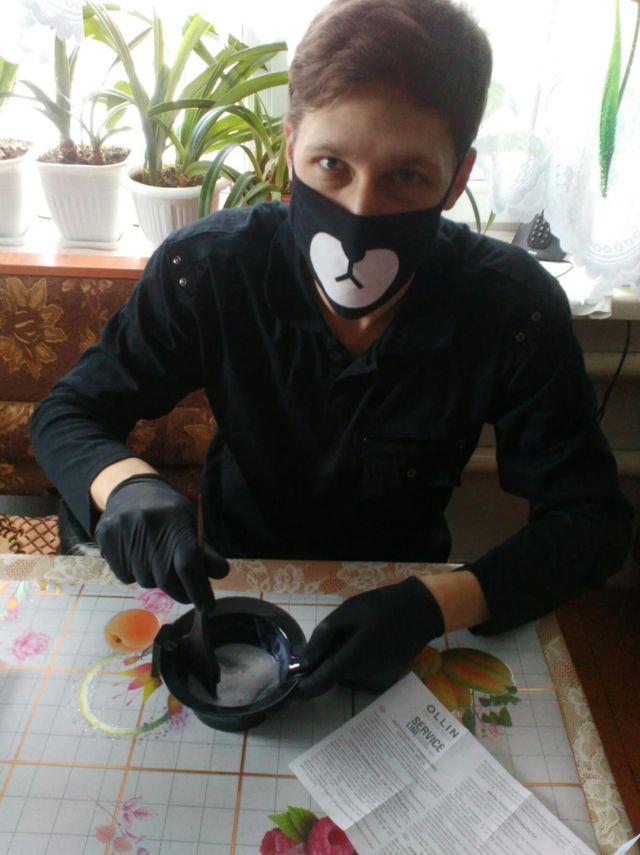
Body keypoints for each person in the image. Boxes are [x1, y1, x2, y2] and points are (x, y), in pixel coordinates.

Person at [30, 0, 634, 699]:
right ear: (290, 147)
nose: (360, 210)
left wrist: (435, 604)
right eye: (331, 164)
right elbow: (67, 413)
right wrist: (125, 484)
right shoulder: (210, 270)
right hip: (232, 582)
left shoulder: (511, 309)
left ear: (458, 178)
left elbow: (593, 522)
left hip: (399, 593)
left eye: (407, 176)